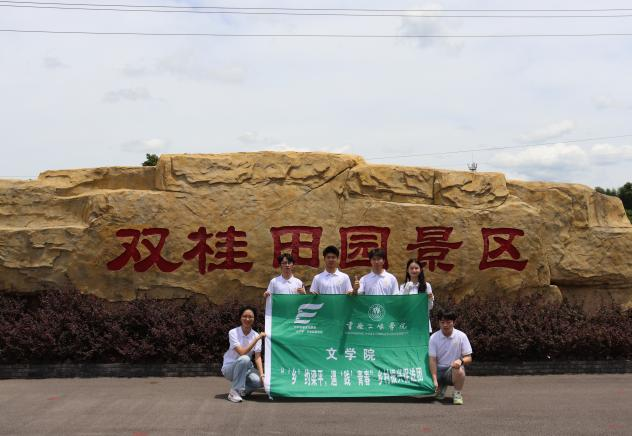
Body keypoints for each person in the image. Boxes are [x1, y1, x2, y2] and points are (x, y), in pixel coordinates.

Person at [221, 306, 266, 403]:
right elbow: (242, 352)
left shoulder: (256, 335)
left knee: (260, 382)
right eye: (244, 316)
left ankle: (242, 391)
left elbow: (258, 357)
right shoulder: (233, 332)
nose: (247, 319)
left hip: (246, 368)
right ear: (240, 318)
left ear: (254, 319)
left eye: (250, 317)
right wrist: (256, 339)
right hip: (230, 368)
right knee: (245, 358)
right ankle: (234, 392)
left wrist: (262, 374)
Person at [428, 309, 473, 405]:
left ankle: (457, 393)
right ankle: (440, 387)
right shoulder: (433, 338)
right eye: (442, 322)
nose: (445, 325)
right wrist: (434, 380)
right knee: (428, 371)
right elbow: (432, 360)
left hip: (452, 370)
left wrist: (460, 361)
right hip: (438, 369)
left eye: (448, 322)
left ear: (454, 322)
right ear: (439, 323)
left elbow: (469, 358)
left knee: (459, 369)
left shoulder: (462, 336)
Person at [399, 259, 434, 333]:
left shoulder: (426, 285)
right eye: (411, 268)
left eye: (416, 268)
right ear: (407, 270)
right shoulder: (403, 287)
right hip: (408, 323)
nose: (414, 270)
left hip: (422, 323)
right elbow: (402, 305)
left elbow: (430, 307)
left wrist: (430, 299)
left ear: (420, 270)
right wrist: (406, 290)